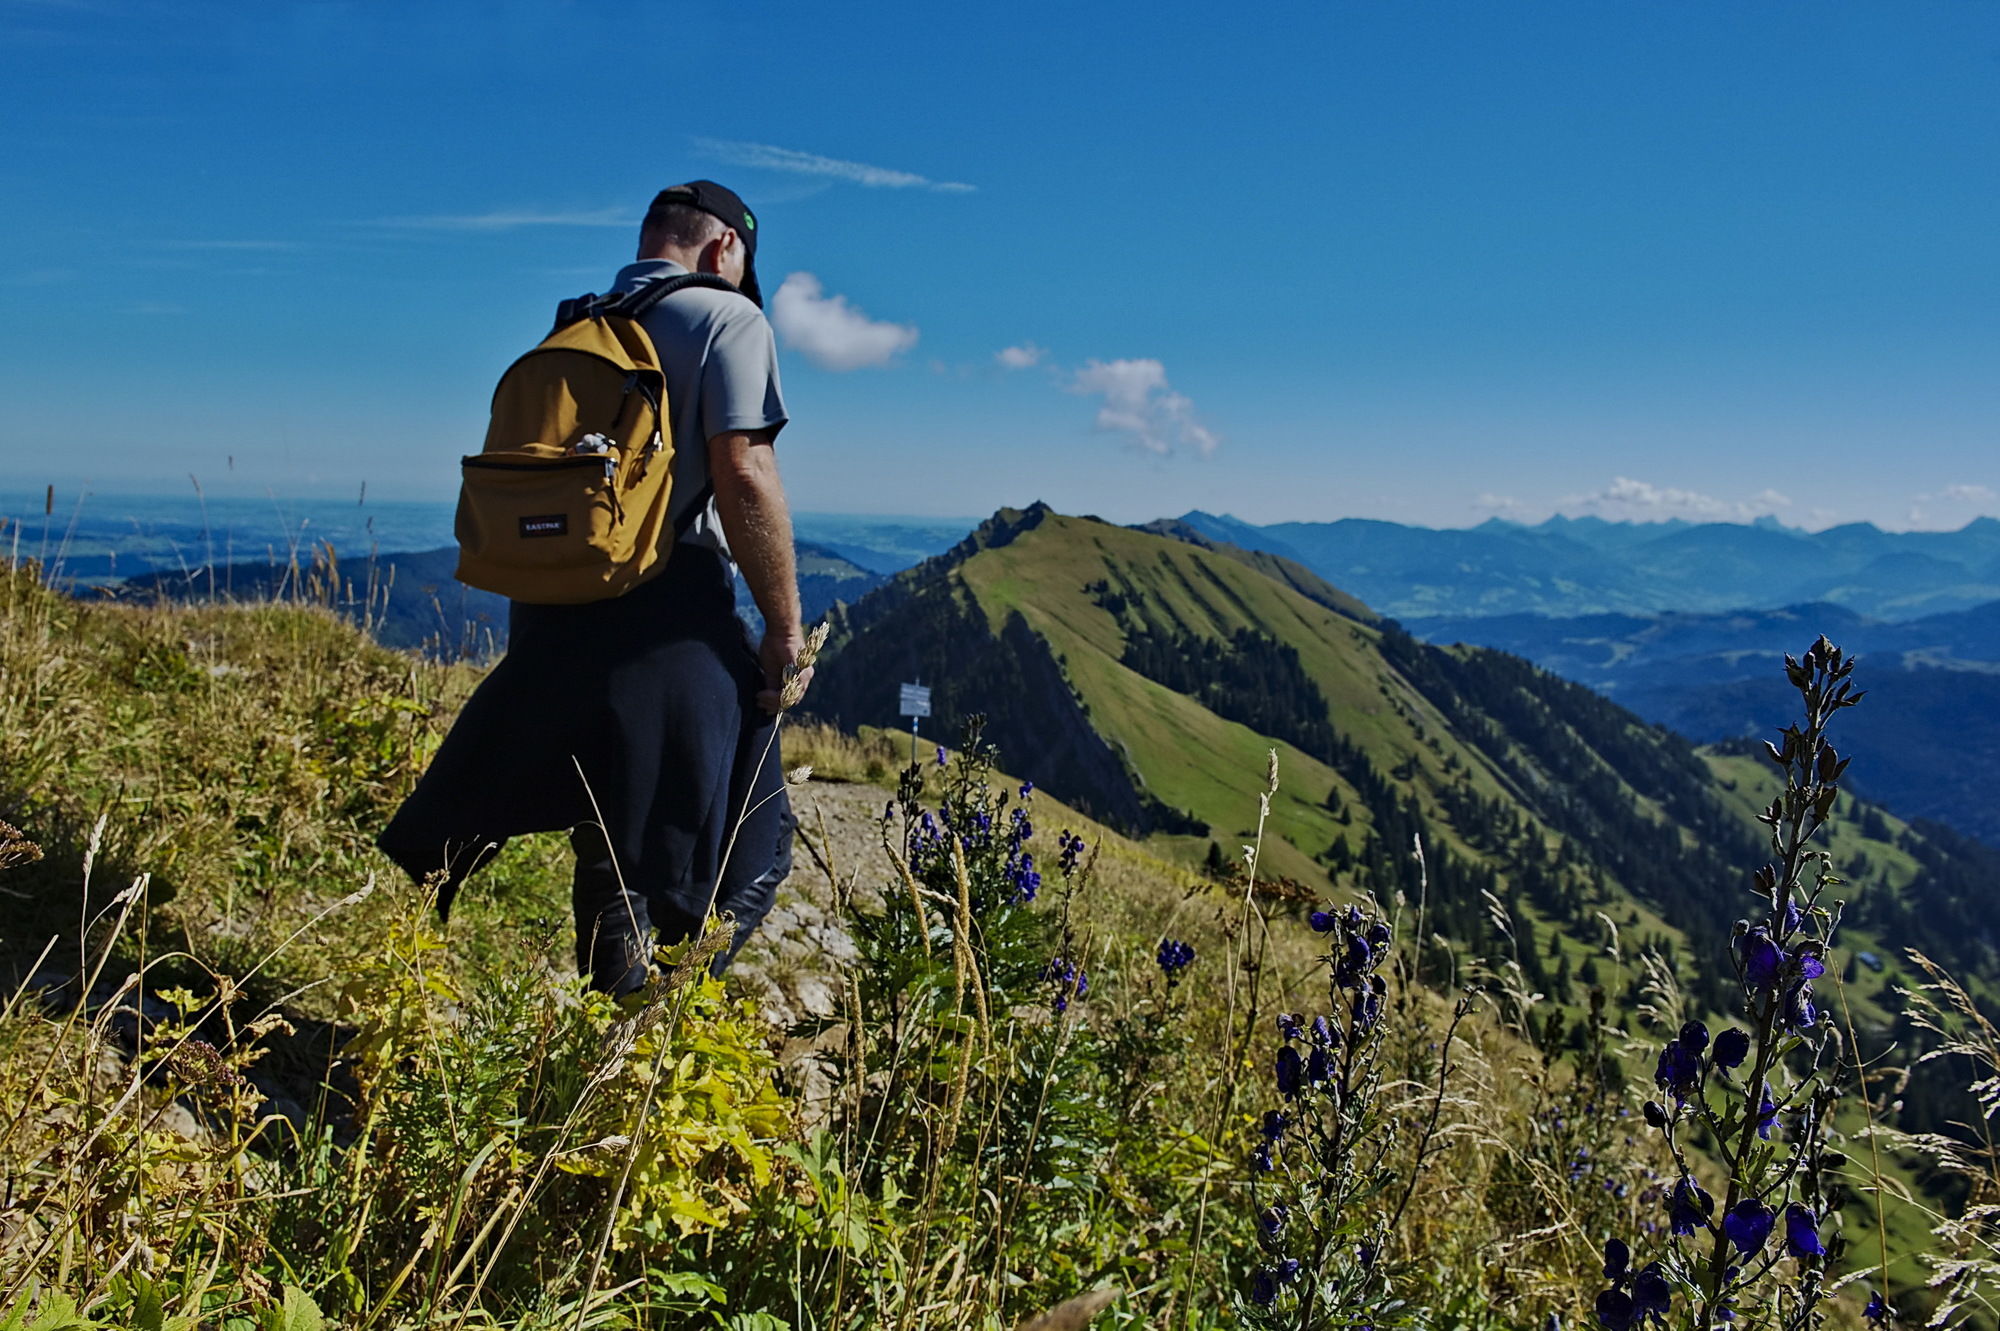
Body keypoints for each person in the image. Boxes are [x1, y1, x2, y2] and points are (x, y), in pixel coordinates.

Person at [378, 180, 806, 994]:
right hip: (667, 614)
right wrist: (784, 629)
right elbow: (744, 471)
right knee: (751, 841)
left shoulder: (578, 321)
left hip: (551, 612)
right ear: (725, 249)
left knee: (610, 834)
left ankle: (606, 1040)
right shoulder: (728, 316)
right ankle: (654, 1029)